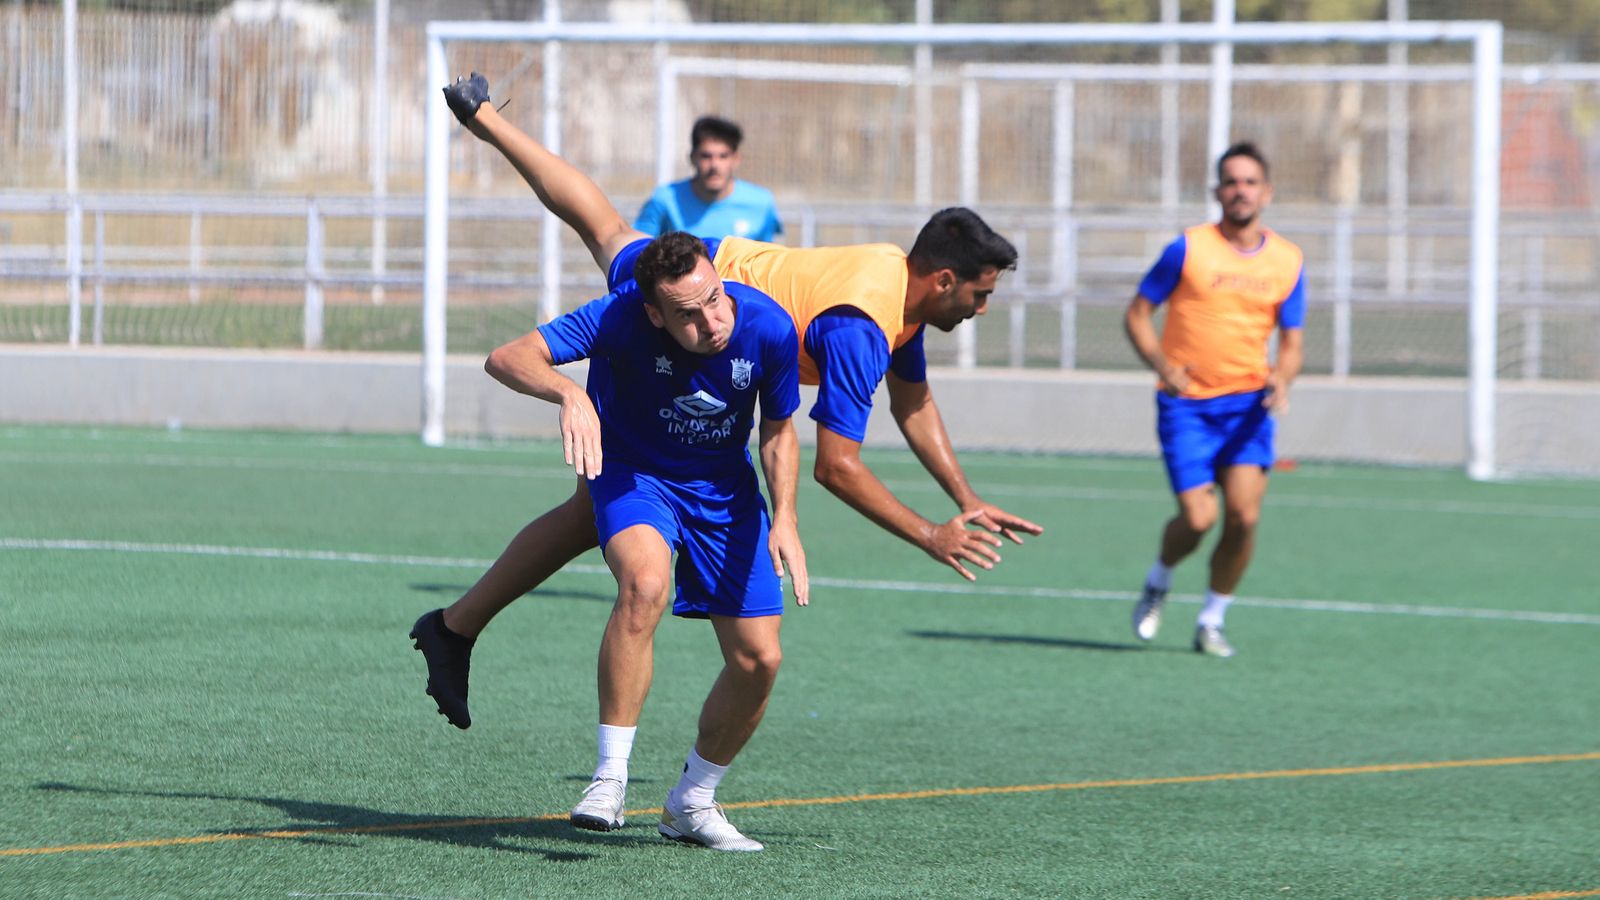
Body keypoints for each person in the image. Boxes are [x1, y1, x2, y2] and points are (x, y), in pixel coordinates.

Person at [411, 72, 1041, 731]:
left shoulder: (894, 281)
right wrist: (929, 535)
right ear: (944, 281)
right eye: (980, 293)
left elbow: (913, 403)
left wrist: (965, 502)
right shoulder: (859, 329)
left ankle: (454, 628)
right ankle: (464, 635)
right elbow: (838, 467)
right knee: (603, 495)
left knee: (605, 240)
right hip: (695, 301)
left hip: (719, 274)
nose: (983, 307)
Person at [479, 230, 807, 851]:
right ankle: (609, 778)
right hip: (636, 475)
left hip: (724, 492)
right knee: (645, 583)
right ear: (654, 313)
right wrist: (569, 392)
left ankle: (692, 802)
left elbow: (778, 429)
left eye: (714, 299)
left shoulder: (768, 326)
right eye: (687, 314)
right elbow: (508, 357)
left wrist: (785, 514)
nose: (711, 321)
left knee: (758, 660)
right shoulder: (620, 315)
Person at [1123, 141, 1306, 658]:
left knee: (1244, 518)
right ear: (1217, 191)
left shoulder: (1287, 260)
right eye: (1231, 181)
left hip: (1249, 409)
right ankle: (1159, 578)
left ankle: (1212, 619)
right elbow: (1137, 314)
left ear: (1266, 192)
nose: (1240, 190)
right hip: (1188, 407)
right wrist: (1163, 365)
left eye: (1250, 181)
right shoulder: (1188, 249)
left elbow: (1292, 341)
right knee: (1200, 519)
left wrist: (1283, 380)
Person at [634, 115, 784, 242]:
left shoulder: (761, 203)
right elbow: (637, 251)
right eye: (706, 156)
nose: (714, 165)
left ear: (736, 159)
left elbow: (768, 262)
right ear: (692, 158)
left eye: (723, 156)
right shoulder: (665, 200)